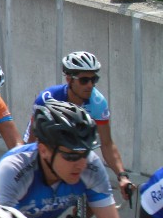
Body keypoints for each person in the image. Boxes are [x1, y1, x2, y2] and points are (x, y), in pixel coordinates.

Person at [25, 51, 135, 199]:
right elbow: (33, 141)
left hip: (77, 148)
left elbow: (107, 143)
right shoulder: (48, 98)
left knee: (94, 189)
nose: (90, 85)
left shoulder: (98, 102)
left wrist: (122, 176)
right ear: (69, 79)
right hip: (48, 146)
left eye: (94, 79)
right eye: (84, 80)